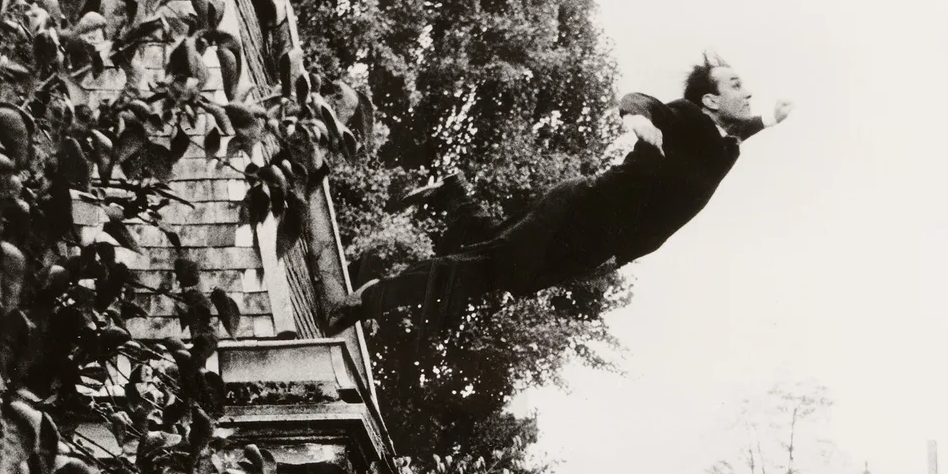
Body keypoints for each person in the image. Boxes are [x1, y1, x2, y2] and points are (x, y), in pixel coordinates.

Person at [330, 57, 792, 333]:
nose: (747, 92)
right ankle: (366, 301)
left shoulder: (725, 148)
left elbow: (737, 133)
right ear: (710, 101)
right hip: (578, 212)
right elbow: (641, 100)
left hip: (597, 246)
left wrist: (770, 121)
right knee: (486, 270)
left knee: (496, 259)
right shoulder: (688, 116)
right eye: (736, 86)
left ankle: (453, 193)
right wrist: (635, 119)